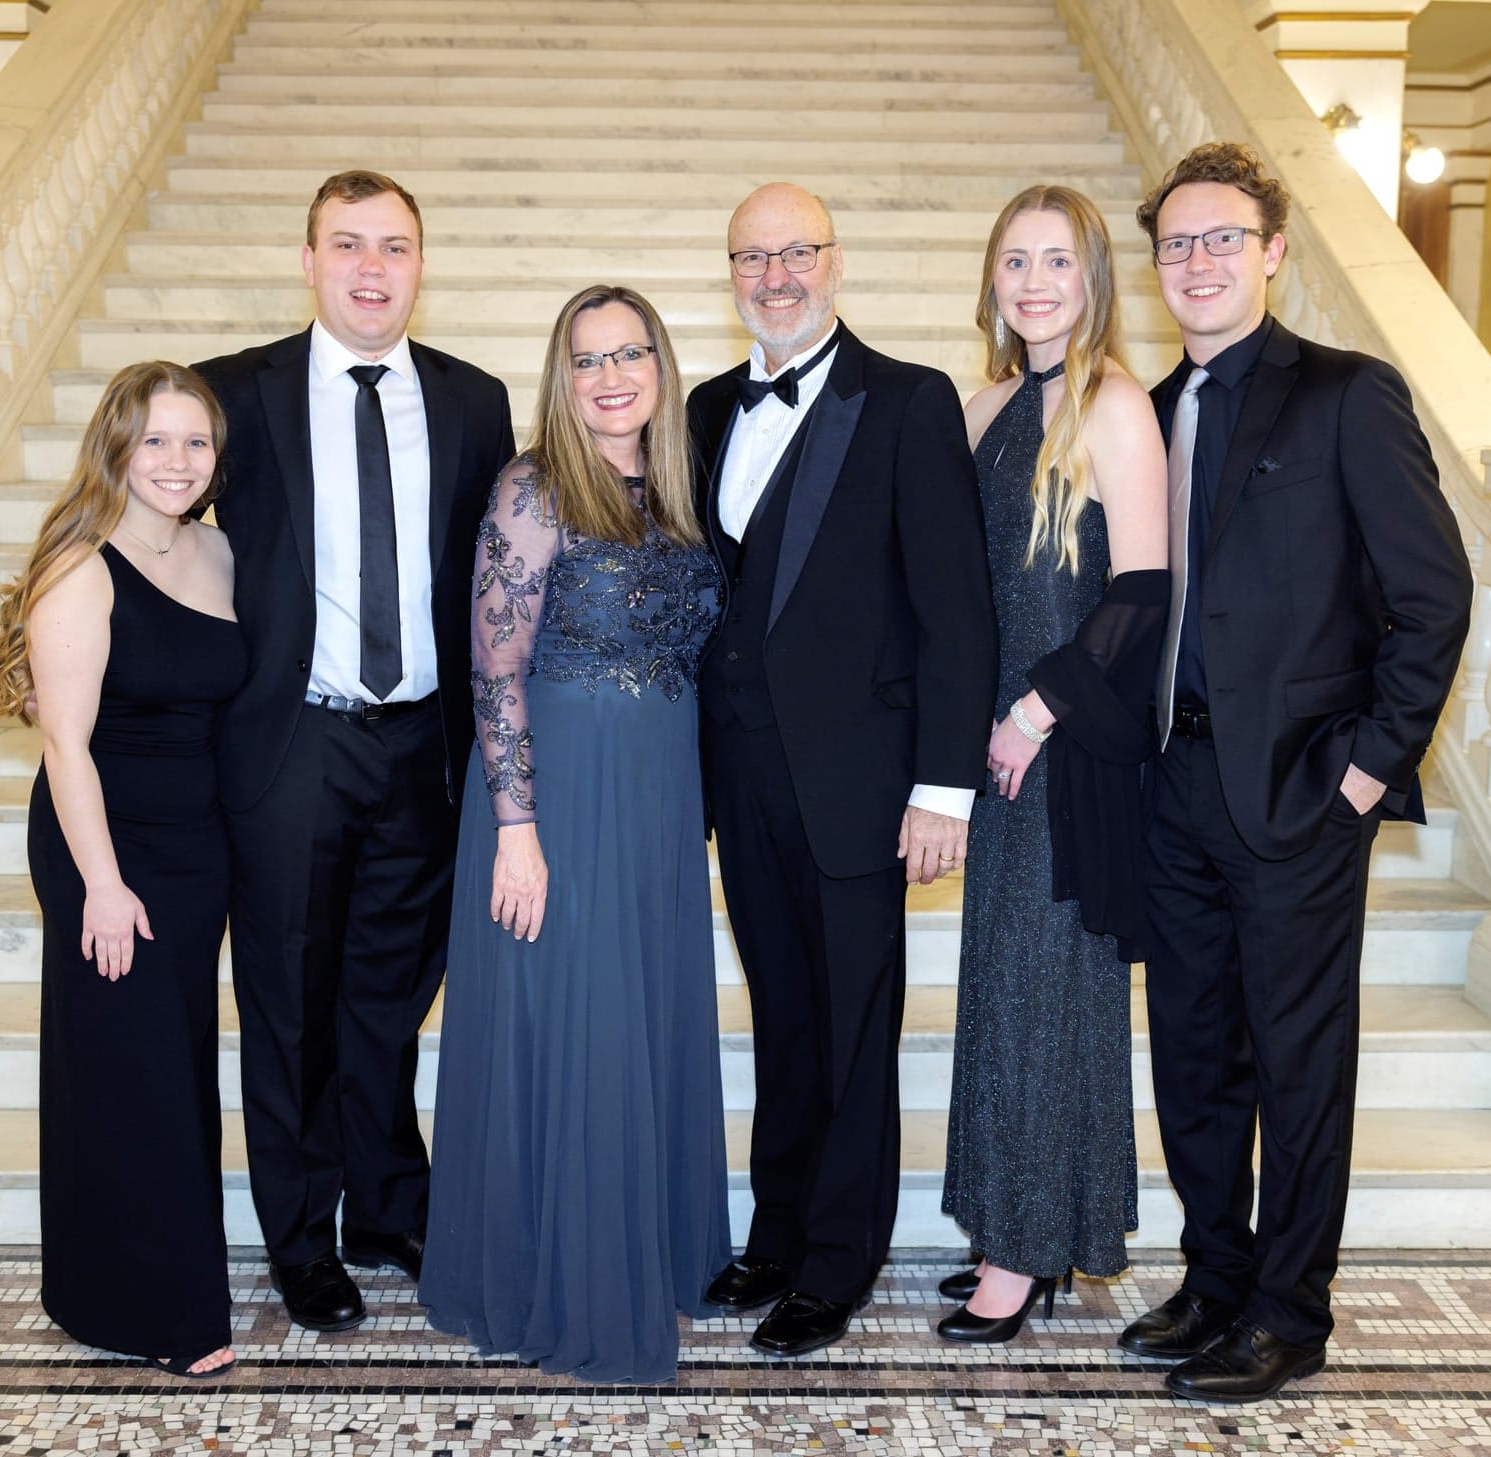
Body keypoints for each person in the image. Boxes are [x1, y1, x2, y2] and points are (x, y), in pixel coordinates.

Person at [1123, 142, 1472, 1402]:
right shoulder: (1150, 411)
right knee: (1192, 1053)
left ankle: (1287, 1308)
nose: (1198, 260)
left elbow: (1431, 598)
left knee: (1296, 1063)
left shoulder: (1344, 392)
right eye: (1175, 242)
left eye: (1222, 237)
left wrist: (1369, 774)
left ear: (1272, 251)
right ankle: (1213, 1276)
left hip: (1301, 794)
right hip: (1174, 791)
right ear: (1154, 264)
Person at [194, 170, 514, 1333]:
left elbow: (492, 586)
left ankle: (386, 1204)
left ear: (422, 264)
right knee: (286, 997)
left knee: (389, 995)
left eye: (394, 246)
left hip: (422, 748)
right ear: (309, 258)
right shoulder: (235, 393)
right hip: (291, 745)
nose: (372, 268)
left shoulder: (475, 402)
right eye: (347, 244)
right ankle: (301, 1233)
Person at [693, 182, 999, 1358]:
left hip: (864, 785)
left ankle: (834, 1263)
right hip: (743, 779)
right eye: (751, 258)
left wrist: (940, 787)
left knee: (856, 1029)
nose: (775, 277)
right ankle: (775, 1234)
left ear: (835, 262)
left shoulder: (908, 401)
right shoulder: (709, 407)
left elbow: (954, 612)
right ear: (731, 274)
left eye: (796, 253)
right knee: (780, 1018)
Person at [416, 284, 730, 1382]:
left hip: (654, 794)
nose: (609, 376)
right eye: (587, 359)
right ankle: (556, 1282)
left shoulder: (681, 486)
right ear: (562, 375)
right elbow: (492, 667)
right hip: (554, 793)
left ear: (658, 362)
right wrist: (515, 829)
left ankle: (647, 1252)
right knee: (573, 1025)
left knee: (639, 1016)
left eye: (629, 353)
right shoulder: (532, 485)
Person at [937, 187, 1168, 1343]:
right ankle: (1008, 1218)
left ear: (1091, 282)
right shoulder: (980, 405)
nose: (1032, 282)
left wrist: (1032, 712)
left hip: (1062, 745)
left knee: (1047, 990)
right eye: (1014, 261)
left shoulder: (1113, 402)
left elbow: (1138, 597)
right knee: (1004, 987)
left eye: (1056, 262)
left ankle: (1026, 1252)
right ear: (991, 279)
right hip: (991, 744)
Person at [0, 361, 244, 1379]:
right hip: (107, 841)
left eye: (197, 442)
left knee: (168, 1060)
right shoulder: (79, 566)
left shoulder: (220, 551)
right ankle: (165, 1310)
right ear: (116, 448)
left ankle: (92, 1279)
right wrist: (100, 879)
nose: (177, 462)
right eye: (156, 441)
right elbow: (64, 743)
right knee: (137, 1070)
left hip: (196, 844)